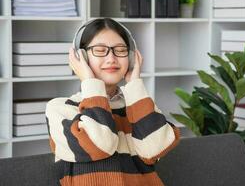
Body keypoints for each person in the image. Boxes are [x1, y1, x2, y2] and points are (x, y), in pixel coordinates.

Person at [45, 18, 180, 186]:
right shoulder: (61, 108)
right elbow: (100, 146)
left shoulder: (138, 103)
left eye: (120, 50)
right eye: (100, 50)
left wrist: (134, 83)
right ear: (81, 57)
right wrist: (89, 80)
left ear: (131, 57)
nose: (111, 58)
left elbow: (153, 149)